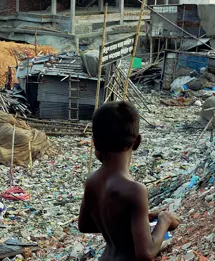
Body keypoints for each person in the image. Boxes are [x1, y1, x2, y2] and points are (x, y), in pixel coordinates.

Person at [78, 101, 181, 261]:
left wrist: (132, 219)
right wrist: (165, 220)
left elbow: (84, 226)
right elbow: (145, 253)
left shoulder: (92, 181)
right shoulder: (135, 190)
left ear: (95, 142)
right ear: (137, 142)